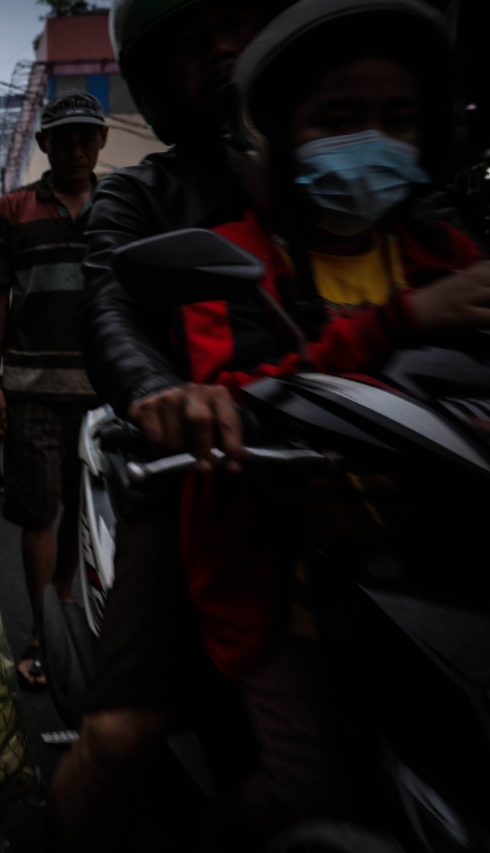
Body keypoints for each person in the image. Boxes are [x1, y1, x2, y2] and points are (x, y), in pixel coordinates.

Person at [176, 2, 483, 842]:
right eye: (338, 120)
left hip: (443, 577)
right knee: (312, 787)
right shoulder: (231, 258)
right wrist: (403, 321)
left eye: (400, 119)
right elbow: (234, 395)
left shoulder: (449, 251)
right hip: (291, 587)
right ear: (273, 138)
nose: (372, 141)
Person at [50, 1, 280, 849]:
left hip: (367, 479)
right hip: (204, 472)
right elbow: (110, 307)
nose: (223, 44)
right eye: (190, 40)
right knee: (117, 740)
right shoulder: (144, 193)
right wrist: (162, 394)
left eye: (237, 18)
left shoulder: (330, 161)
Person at [0, 90, 107, 692]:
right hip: (30, 386)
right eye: (64, 137)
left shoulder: (120, 205)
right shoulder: (13, 210)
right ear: (44, 144)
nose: (76, 148)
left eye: (86, 135)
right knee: (39, 515)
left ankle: (73, 614)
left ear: (100, 141)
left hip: (107, 392)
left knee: (91, 517)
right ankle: (44, 632)